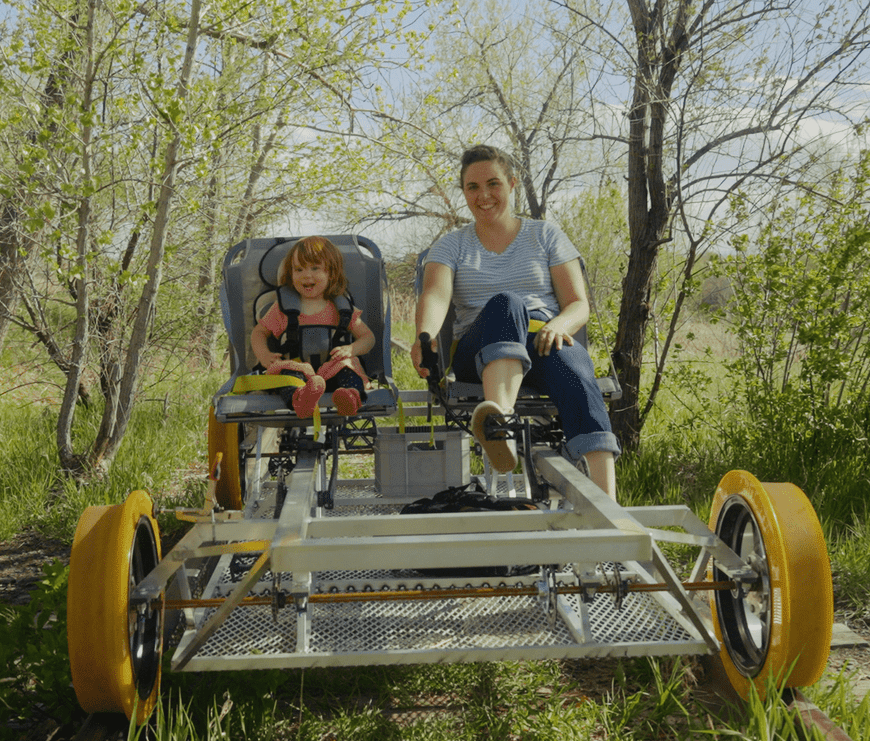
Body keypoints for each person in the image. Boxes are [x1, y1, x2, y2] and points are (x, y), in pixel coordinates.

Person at [410, 144, 619, 498]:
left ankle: (608, 508)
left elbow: (578, 304)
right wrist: (424, 336)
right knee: (507, 303)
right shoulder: (450, 245)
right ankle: (499, 426)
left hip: (544, 339)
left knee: (577, 370)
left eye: (493, 184)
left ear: (511, 183)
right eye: (472, 188)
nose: (484, 195)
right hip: (479, 349)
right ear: (464, 192)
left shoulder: (545, 235)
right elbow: (435, 295)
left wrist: (559, 325)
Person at [251, 236, 376, 418]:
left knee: (348, 368)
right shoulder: (282, 308)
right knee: (286, 373)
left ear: (331, 273)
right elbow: (259, 332)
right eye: (298, 269)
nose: (306, 275)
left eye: (315, 268)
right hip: (298, 371)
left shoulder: (341, 309)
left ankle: (350, 397)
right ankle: (300, 400)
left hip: (333, 371)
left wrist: (351, 349)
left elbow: (368, 337)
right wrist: (264, 355)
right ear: (290, 273)